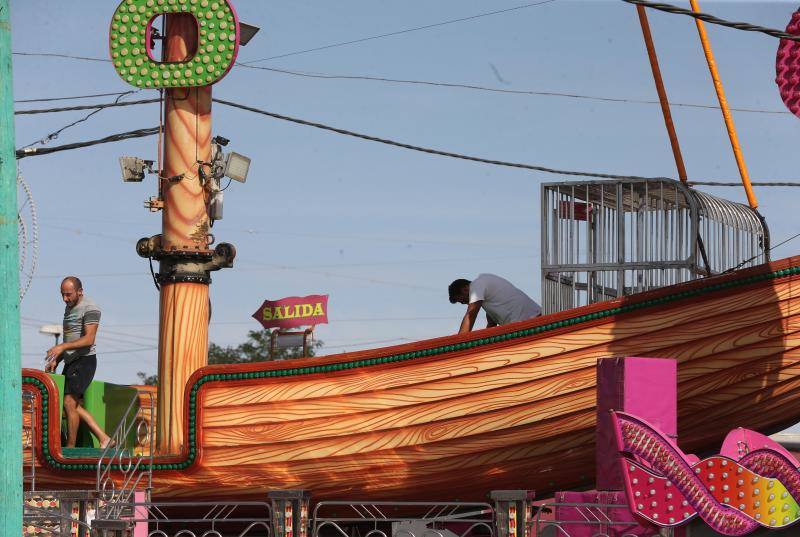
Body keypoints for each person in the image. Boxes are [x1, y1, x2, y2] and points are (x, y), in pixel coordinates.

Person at [45, 276, 112, 449]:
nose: (65, 299)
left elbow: (89, 339)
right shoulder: (69, 307)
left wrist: (61, 347)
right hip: (72, 361)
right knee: (68, 403)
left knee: (69, 402)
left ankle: (70, 446)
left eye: (68, 294)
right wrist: (58, 359)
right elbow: (71, 337)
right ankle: (104, 438)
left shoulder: (90, 308)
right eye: (62, 294)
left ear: (80, 291)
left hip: (84, 361)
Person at [448, 274, 541, 334]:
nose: (466, 304)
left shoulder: (477, 285)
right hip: (530, 320)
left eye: (463, 300)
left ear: (465, 289)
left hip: (529, 322)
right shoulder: (487, 294)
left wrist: (458, 342)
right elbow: (491, 324)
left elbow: (471, 314)